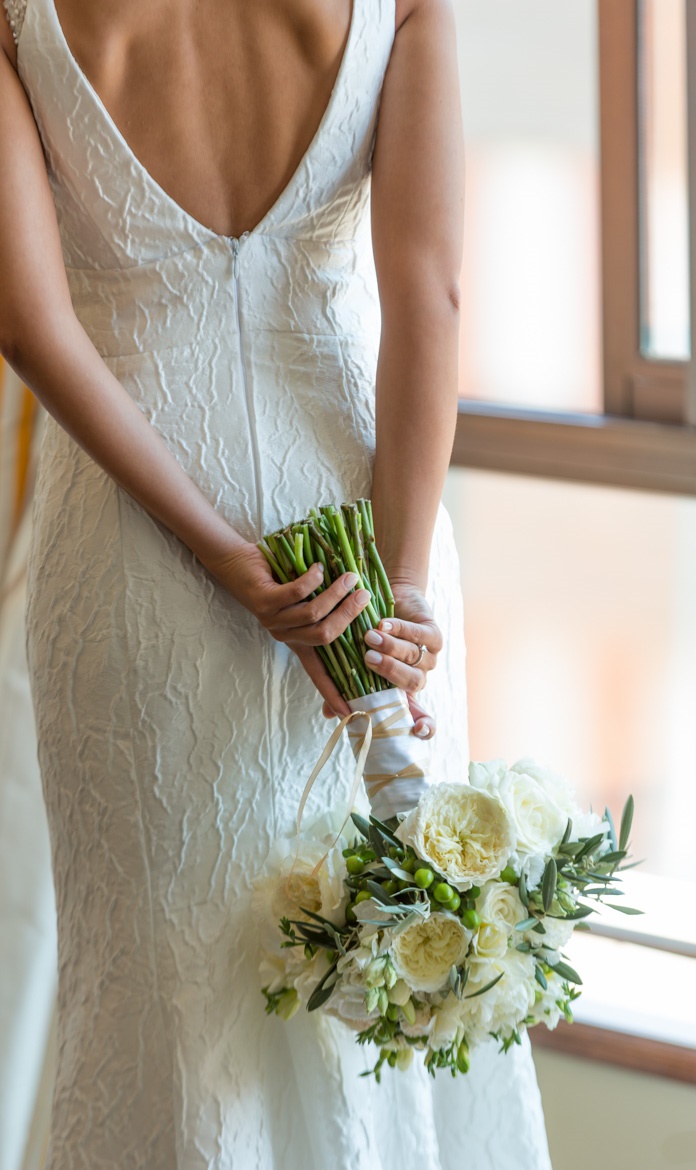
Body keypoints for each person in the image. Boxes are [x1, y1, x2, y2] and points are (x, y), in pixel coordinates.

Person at [0, 0, 554, 1166]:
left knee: (163, 1009)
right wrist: (397, 596)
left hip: (131, 544)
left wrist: (228, 562)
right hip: (363, 518)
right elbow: (430, 295)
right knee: (388, 989)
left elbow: (33, 322)